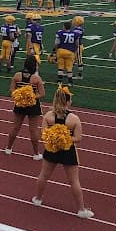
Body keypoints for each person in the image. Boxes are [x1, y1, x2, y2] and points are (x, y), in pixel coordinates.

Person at [32, 85, 94, 219]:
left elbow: (44, 134)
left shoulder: (48, 116)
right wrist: (65, 139)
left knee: (43, 175)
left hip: (52, 150)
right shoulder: (74, 119)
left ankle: (37, 199)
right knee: (74, 181)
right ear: (67, 102)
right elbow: (78, 138)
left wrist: (56, 138)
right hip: (68, 151)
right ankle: (81, 210)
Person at [5, 55, 45, 160]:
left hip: (19, 105)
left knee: (15, 127)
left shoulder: (17, 75)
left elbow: (12, 90)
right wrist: (30, 97)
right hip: (33, 106)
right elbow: (42, 94)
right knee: (33, 130)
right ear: (34, 65)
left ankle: (8, 148)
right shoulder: (36, 78)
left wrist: (21, 96)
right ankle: (36, 154)